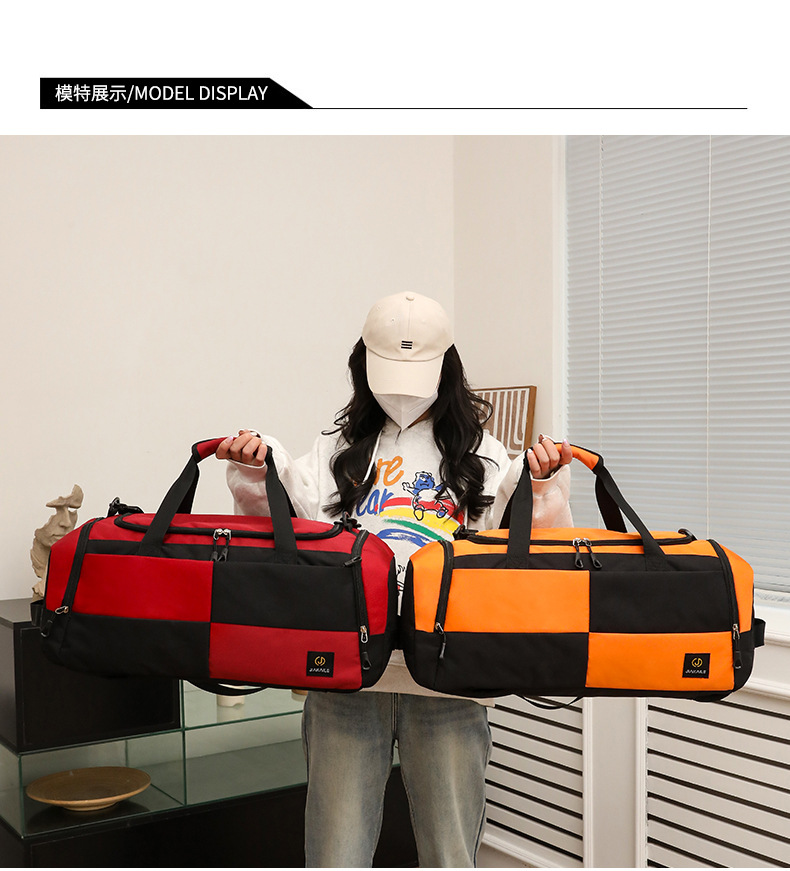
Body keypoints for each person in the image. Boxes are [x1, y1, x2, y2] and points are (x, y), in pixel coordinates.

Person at [217, 292, 573, 867]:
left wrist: (539, 486)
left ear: (445, 368)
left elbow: (519, 556)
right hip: (349, 679)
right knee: (335, 855)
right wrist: (259, 468)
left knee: (450, 854)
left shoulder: (482, 455)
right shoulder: (337, 450)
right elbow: (290, 535)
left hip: (449, 679)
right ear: (364, 366)